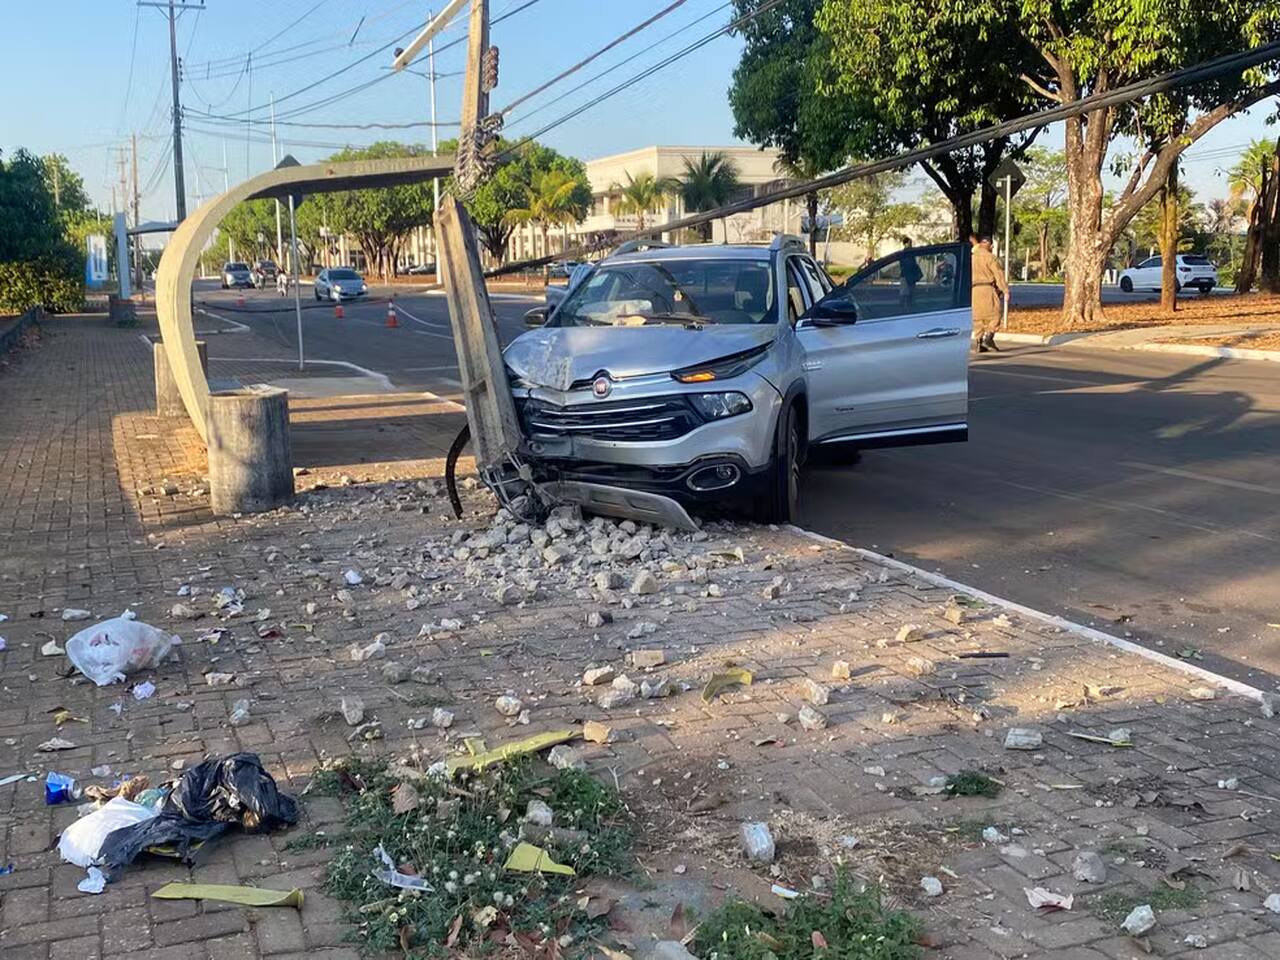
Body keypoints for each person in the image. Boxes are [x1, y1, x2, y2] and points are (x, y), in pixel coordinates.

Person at [970, 234, 1008, 352]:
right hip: (987, 289)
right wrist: (1005, 290)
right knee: (995, 314)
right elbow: (998, 275)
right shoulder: (990, 257)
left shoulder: (971, 258)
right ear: (990, 245)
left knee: (977, 317)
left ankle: (978, 342)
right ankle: (989, 337)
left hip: (974, 290)